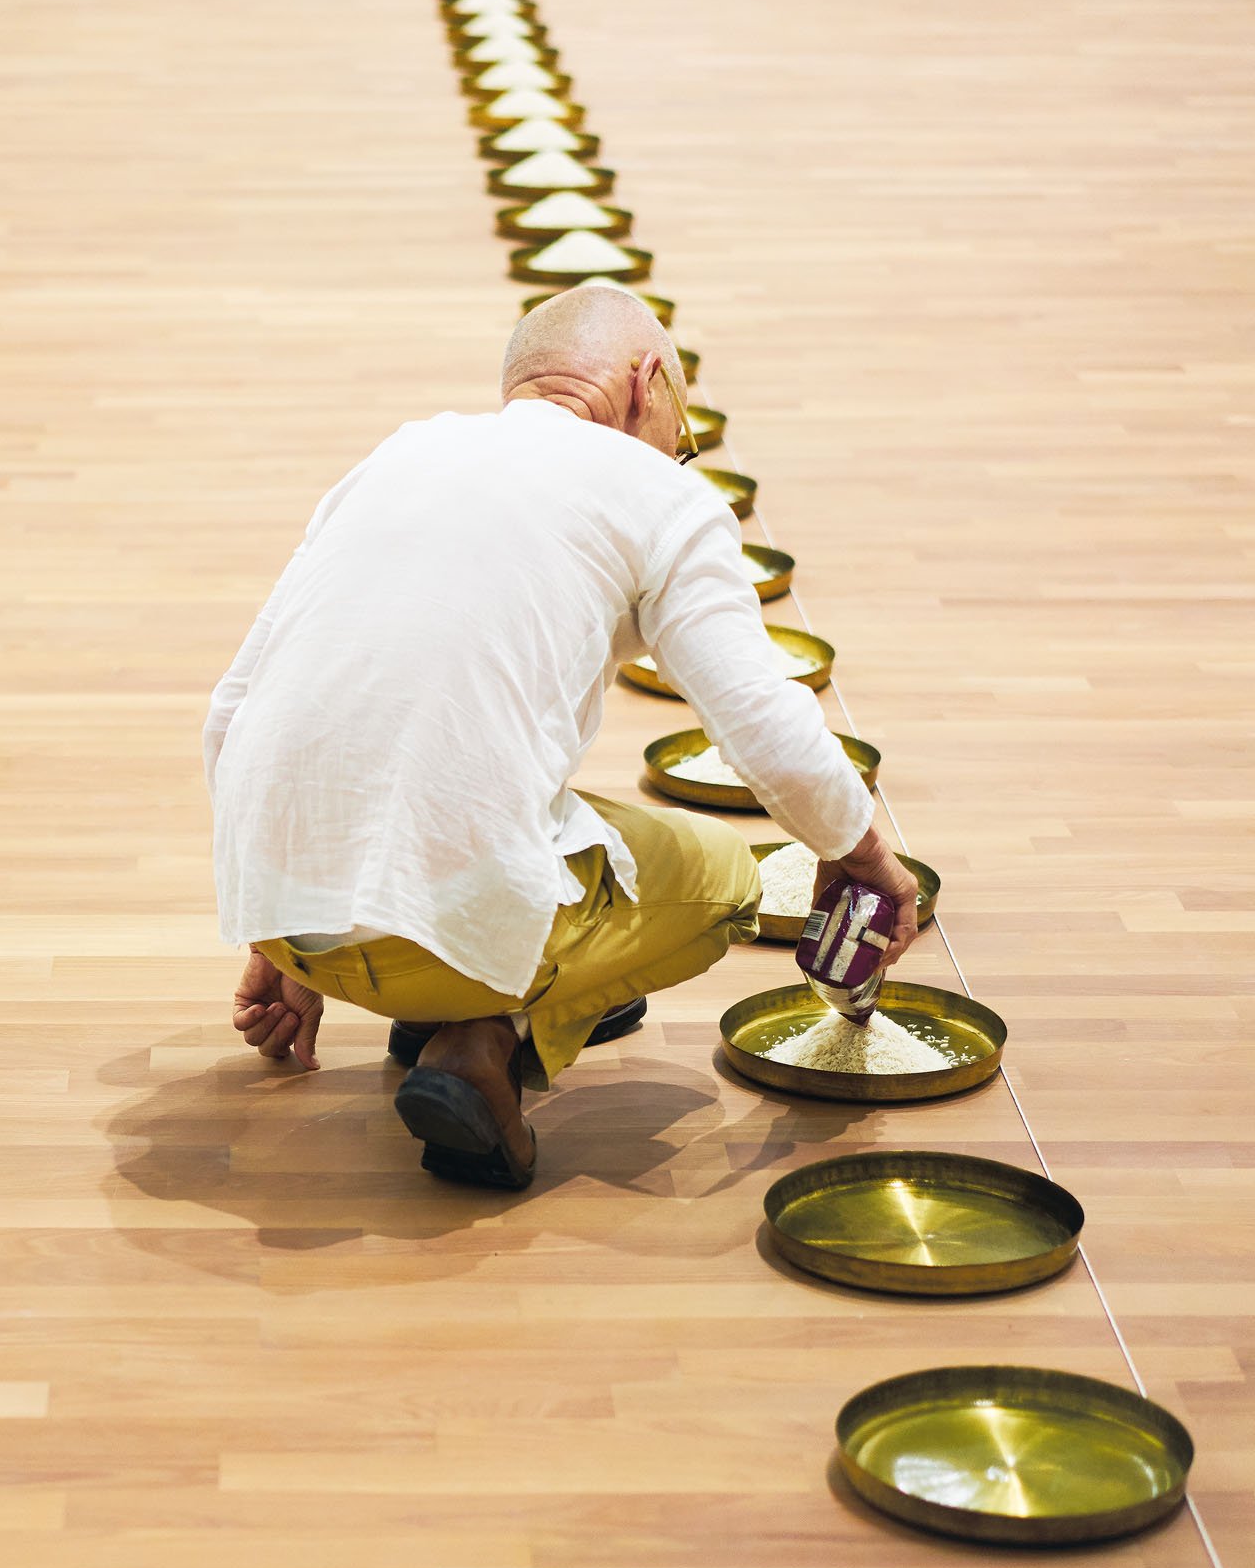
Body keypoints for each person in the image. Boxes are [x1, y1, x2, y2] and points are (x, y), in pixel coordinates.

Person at [203, 283, 919, 1190]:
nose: (678, 450)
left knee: (506, 799)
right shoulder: (659, 493)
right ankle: (480, 1042)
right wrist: (859, 853)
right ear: (645, 383)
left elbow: (230, 713)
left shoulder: (401, 452)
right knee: (727, 881)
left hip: (285, 919)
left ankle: (455, 1002)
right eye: (683, 431)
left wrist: (281, 928)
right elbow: (759, 723)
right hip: (422, 943)